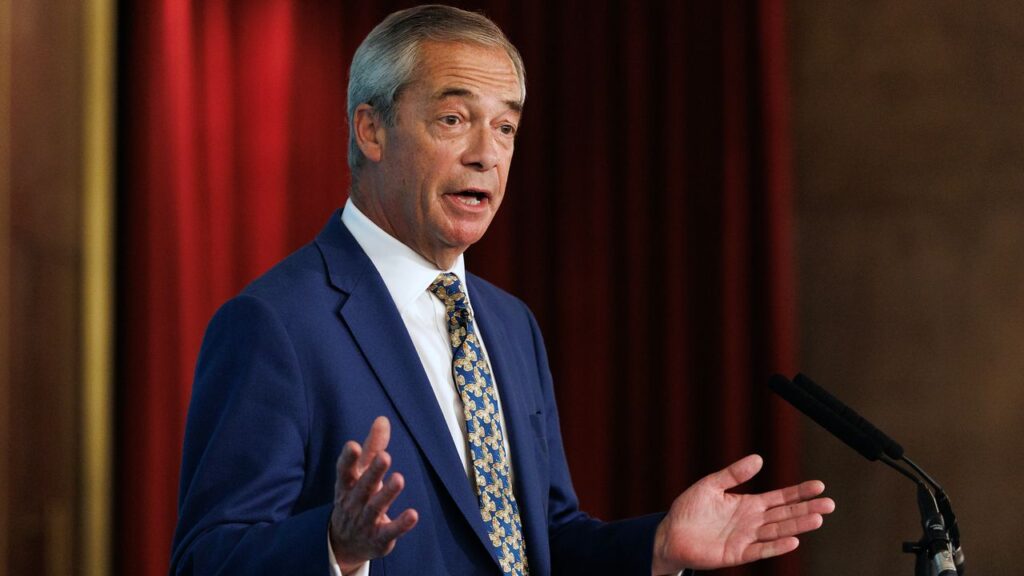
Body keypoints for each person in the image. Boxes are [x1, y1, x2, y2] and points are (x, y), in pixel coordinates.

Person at [170, 5, 834, 575]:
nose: (486, 154)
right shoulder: (275, 325)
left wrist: (655, 546)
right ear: (370, 129)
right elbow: (207, 559)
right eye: (454, 119)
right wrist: (334, 547)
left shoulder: (509, 323)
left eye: (506, 127)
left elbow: (542, 542)